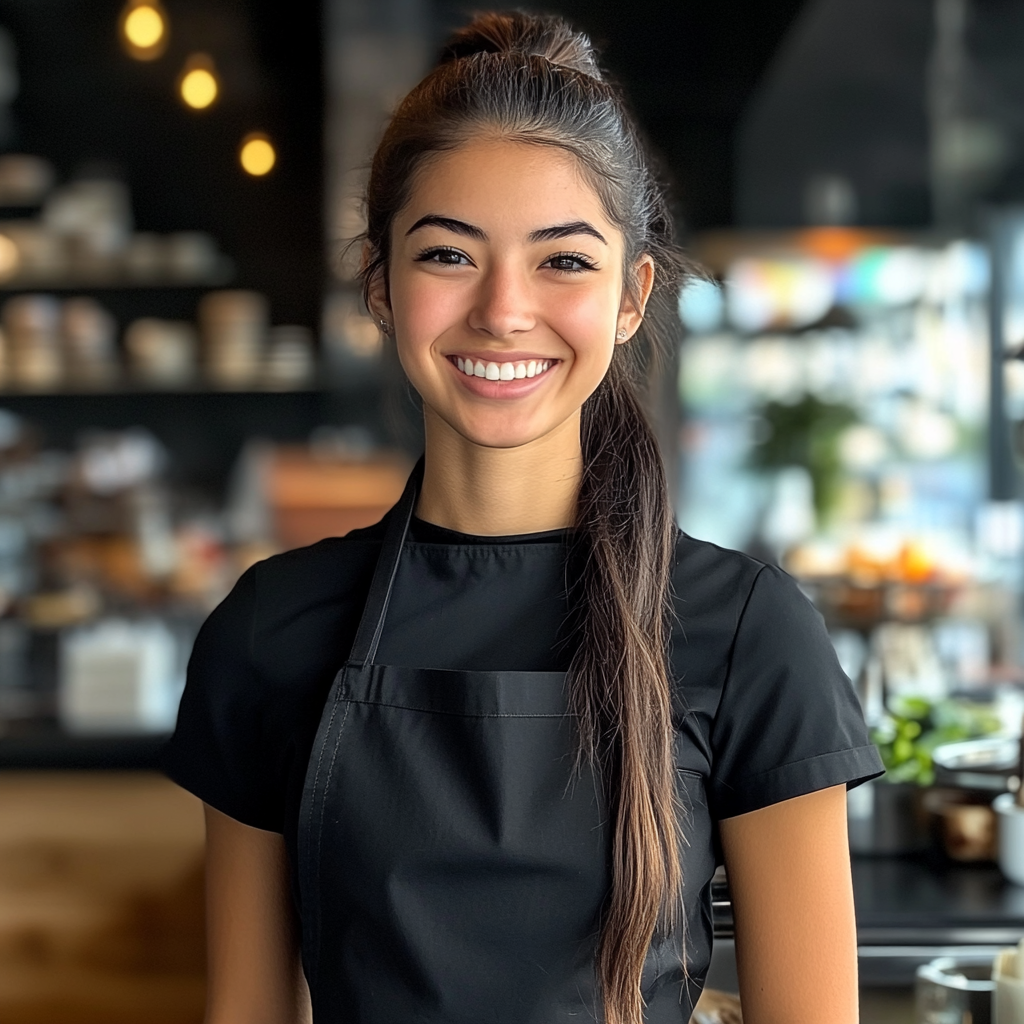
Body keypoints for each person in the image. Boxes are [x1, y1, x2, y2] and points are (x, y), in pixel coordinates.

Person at [162, 11, 884, 1024]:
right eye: (448, 255)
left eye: (564, 261)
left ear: (632, 296)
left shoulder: (749, 634)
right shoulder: (268, 631)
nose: (504, 310)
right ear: (380, 282)